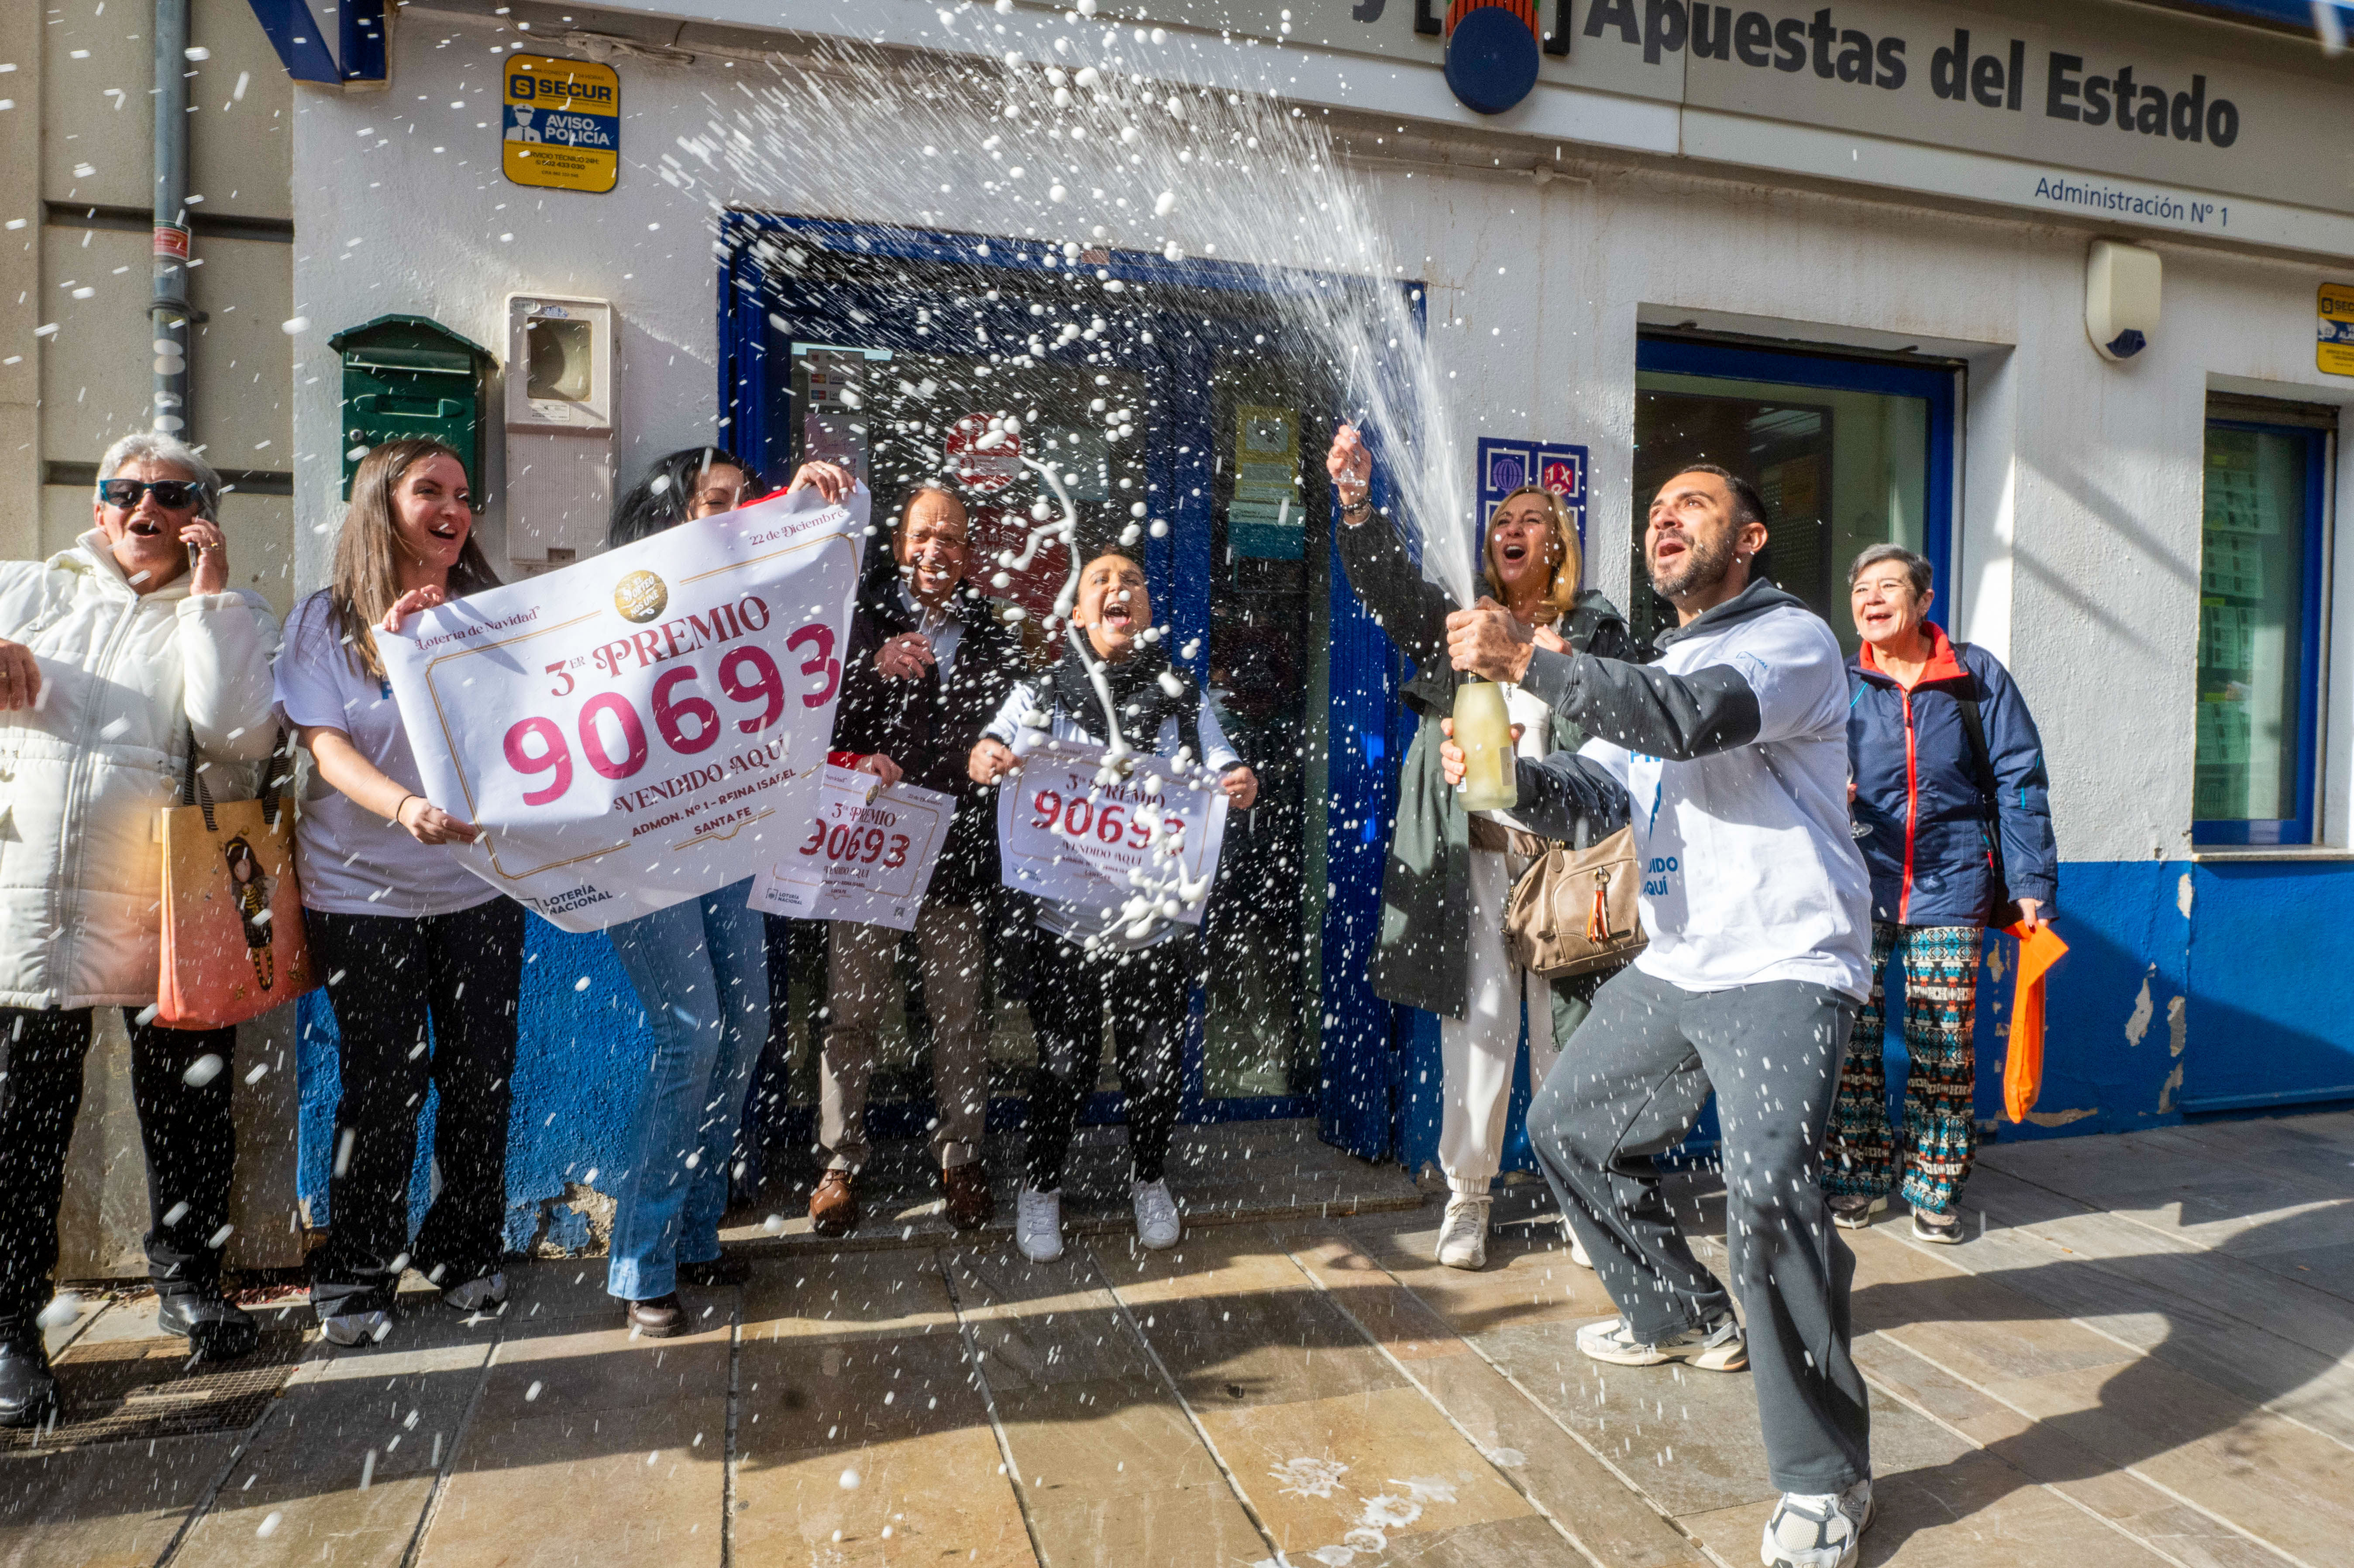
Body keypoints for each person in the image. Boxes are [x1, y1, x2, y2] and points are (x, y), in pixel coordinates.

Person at [1442, 464, 1876, 1568]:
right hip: (1681, 959)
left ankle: (1825, 1477)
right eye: (1653, 512)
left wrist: (1528, 658)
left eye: (1691, 505)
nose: (1663, 519)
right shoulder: (1654, 660)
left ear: (1748, 539)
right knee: (1568, 1127)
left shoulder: (1788, 639)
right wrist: (1498, 782)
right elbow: (1595, 795)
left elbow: (1687, 723)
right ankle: (1682, 1314)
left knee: (1768, 1196)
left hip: (1784, 961)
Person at [0, 433, 280, 1425]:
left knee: (190, 1109)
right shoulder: (31, 590)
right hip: (33, 904)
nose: (145, 509)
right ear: (97, 504)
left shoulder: (233, 610)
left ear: (202, 510)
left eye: (170, 494)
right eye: (125, 492)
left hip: (174, 904)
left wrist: (210, 600)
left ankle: (192, 1279)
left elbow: (240, 734)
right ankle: (9, 1328)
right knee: (20, 1130)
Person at [1325, 424, 1640, 1271]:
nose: (1514, 526)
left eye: (1534, 517)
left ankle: (1584, 1195)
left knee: (1567, 1035)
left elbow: (1627, 721)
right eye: (1504, 514)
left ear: (1557, 544)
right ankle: (1468, 1198)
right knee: (1481, 1033)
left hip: (1566, 866)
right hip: (1474, 860)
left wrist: (1555, 657)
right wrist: (1357, 503)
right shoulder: (1461, 625)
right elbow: (1390, 588)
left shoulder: (1595, 631)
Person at [276, 438, 522, 1348]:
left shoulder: (488, 615)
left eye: (464, 493)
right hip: (361, 895)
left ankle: (461, 1248)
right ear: (382, 503)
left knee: (480, 1079)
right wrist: (404, 805)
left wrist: (448, 650)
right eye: (430, 490)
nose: (454, 508)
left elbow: (529, 727)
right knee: (381, 1087)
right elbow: (326, 747)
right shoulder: (325, 622)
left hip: (478, 891)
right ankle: (355, 1264)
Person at [600, 448, 852, 1337]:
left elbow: (815, 586)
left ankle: (697, 1231)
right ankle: (642, 1261)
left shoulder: (746, 596)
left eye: (749, 502)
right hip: (644, 850)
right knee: (691, 1031)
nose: (740, 515)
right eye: (721, 502)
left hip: (726, 839)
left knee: (744, 1026)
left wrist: (813, 502)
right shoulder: (615, 599)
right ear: (672, 513)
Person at [970, 553, 1257, 1264]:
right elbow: (991, 745)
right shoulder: (1043, 690)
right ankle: (1041, 1190)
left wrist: (1239, 781)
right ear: (1077, 616)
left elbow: (1225, 763)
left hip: (1151, 926)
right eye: (1100, 580)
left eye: (1130, 580)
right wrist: (989, 759)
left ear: (1148, 611)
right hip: (1063, 925)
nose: (1117, 589)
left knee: (1154, 1067)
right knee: (1062, 1066)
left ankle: (1150, 1178)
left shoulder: (1181, 696)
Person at [1823, 545, 2055, 1244]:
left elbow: (2020, 780)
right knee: (1852, 1047)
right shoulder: (1839, 680)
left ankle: (1934, 1186)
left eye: (1888, 586)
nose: (1872, 599)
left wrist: (2031, 884)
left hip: (1951, 881)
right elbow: (1800, 761)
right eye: (1862, 589)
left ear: (1925, 602)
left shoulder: (1974, 676)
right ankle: (1855, 1180)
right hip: (1856, 880)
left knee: (1944, 1046)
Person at [812, 485, 1026, 1238]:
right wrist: (873, 667)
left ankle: (961, 1156)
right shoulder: (857, 614)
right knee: (853, 1016)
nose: (937, 549)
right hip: (870, 850)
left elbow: (1011, 726)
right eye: (923, 535)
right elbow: (809, 713)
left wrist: (993, 754)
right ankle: (840, 1163)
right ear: (901, 544)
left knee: (959, 1017)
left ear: (969, 555)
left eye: (953, 539)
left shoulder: (995, 636)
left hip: (957, 857)